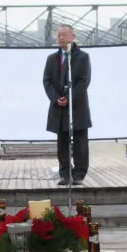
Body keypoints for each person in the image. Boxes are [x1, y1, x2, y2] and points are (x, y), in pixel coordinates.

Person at [43, 24, 92, 186]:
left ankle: (79, 175)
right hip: (59, 107)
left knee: (80, 142)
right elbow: (47, 81)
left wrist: (69, 98)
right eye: (59, 35)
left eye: (64, 34)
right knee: (62, 143)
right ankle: (65, 174)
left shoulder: (82, 57)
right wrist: (56, 98)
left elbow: (84, 81)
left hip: (77, 106)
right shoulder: (52, 58)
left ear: (73, 37)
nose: (61, 38)